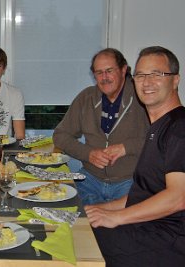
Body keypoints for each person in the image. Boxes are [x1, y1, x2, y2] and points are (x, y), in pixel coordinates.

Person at [85, 46, 185, 266]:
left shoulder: (179, 129)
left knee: (79, 245)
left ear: (175, 80)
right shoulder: (156, 128)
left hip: (166, 242)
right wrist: (99, 210)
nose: (146, 82)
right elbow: (145, 194)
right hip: (145, 229)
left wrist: (115, 217)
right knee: (76, 226)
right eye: (140, 75)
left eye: (157, 74)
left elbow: (179, 197)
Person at [53, 48, 150, 205]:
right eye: (99, 73)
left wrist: (126, 147)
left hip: (130, 182)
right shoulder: (86, 97)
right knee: (60, 210)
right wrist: (88, 153)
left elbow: (161, 139)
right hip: (89, 180)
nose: (104, 77)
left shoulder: (144, 97)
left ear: (124, 69)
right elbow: (60, 135)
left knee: (119, 227)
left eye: (109, 71)